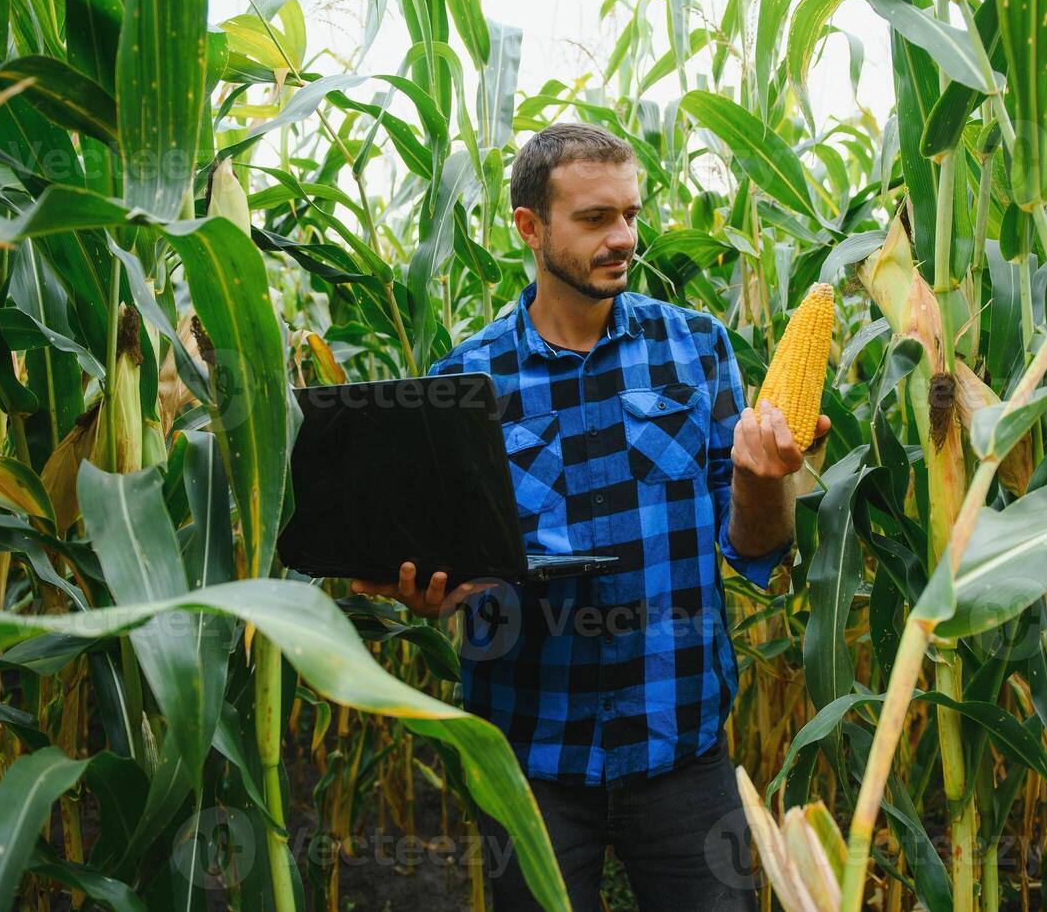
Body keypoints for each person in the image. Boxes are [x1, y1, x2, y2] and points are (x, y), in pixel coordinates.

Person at [350, 122, 830, 910]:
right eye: (595, 219)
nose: (624, 238)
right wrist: (431, 594)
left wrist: (761, 478)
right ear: (529, 228)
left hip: (680, 745)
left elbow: (757, 545)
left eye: (631, 214)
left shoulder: (695, 349)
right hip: (531, 757)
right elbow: (448, 567)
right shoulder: (463, 381)